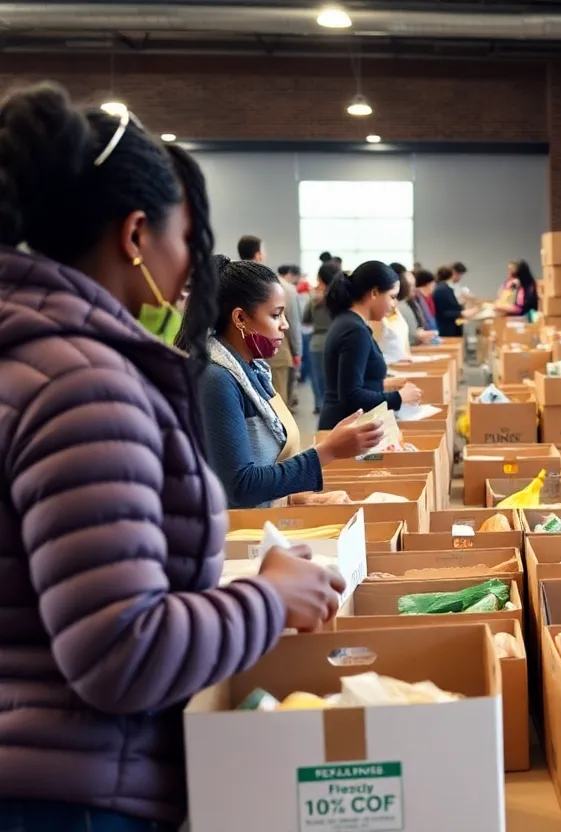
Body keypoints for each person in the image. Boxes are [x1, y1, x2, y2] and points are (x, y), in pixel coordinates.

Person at [0, 81, 344, 830]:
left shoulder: (28, 357)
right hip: (72, 794)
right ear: (134, 236)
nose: (192, 269)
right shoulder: (83, 385)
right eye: (186, 240)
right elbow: (122, 650)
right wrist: (270, 598)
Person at [194, 256, 382, 509]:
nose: (285, 325)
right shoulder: (218, 379)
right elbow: (240, 486)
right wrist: (326, 451)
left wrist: (298, 499)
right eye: (276, 315)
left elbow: (266, 466)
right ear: (240, 318)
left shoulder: (254, 371)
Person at [319, 261, 422, 430]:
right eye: (392, 297)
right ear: (374, 293)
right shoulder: (354, 330)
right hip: (346, 427)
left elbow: (351, 382)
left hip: (347, 424)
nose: (394, 304)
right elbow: (352, 395)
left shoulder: (351, 323)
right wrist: (399, 397)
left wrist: (383, 385)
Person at [303, 262, 340, 414]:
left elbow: (306, 319)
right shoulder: (341, 298)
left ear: (320, 278)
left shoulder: (314, 299)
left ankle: (320, 406)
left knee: (318, 380)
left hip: (317, 343)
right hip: (336, 341)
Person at [274, 263, 304, 405]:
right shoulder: (287, 289)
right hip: (278, 351)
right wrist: (297, 351)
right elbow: (293, 324)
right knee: (280, 400)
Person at [431, 264, 464, 338]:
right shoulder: (442, 290)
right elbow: (443, 312)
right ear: (451, 275)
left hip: (451, 326)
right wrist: (462, 313)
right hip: (447, 329)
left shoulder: (445, 288)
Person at [412, 268, 441, 335]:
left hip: (432, 333)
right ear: (428, 284)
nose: (434, 286)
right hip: (425, 334)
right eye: (433, 284)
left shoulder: (429, 298)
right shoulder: (417, 298)